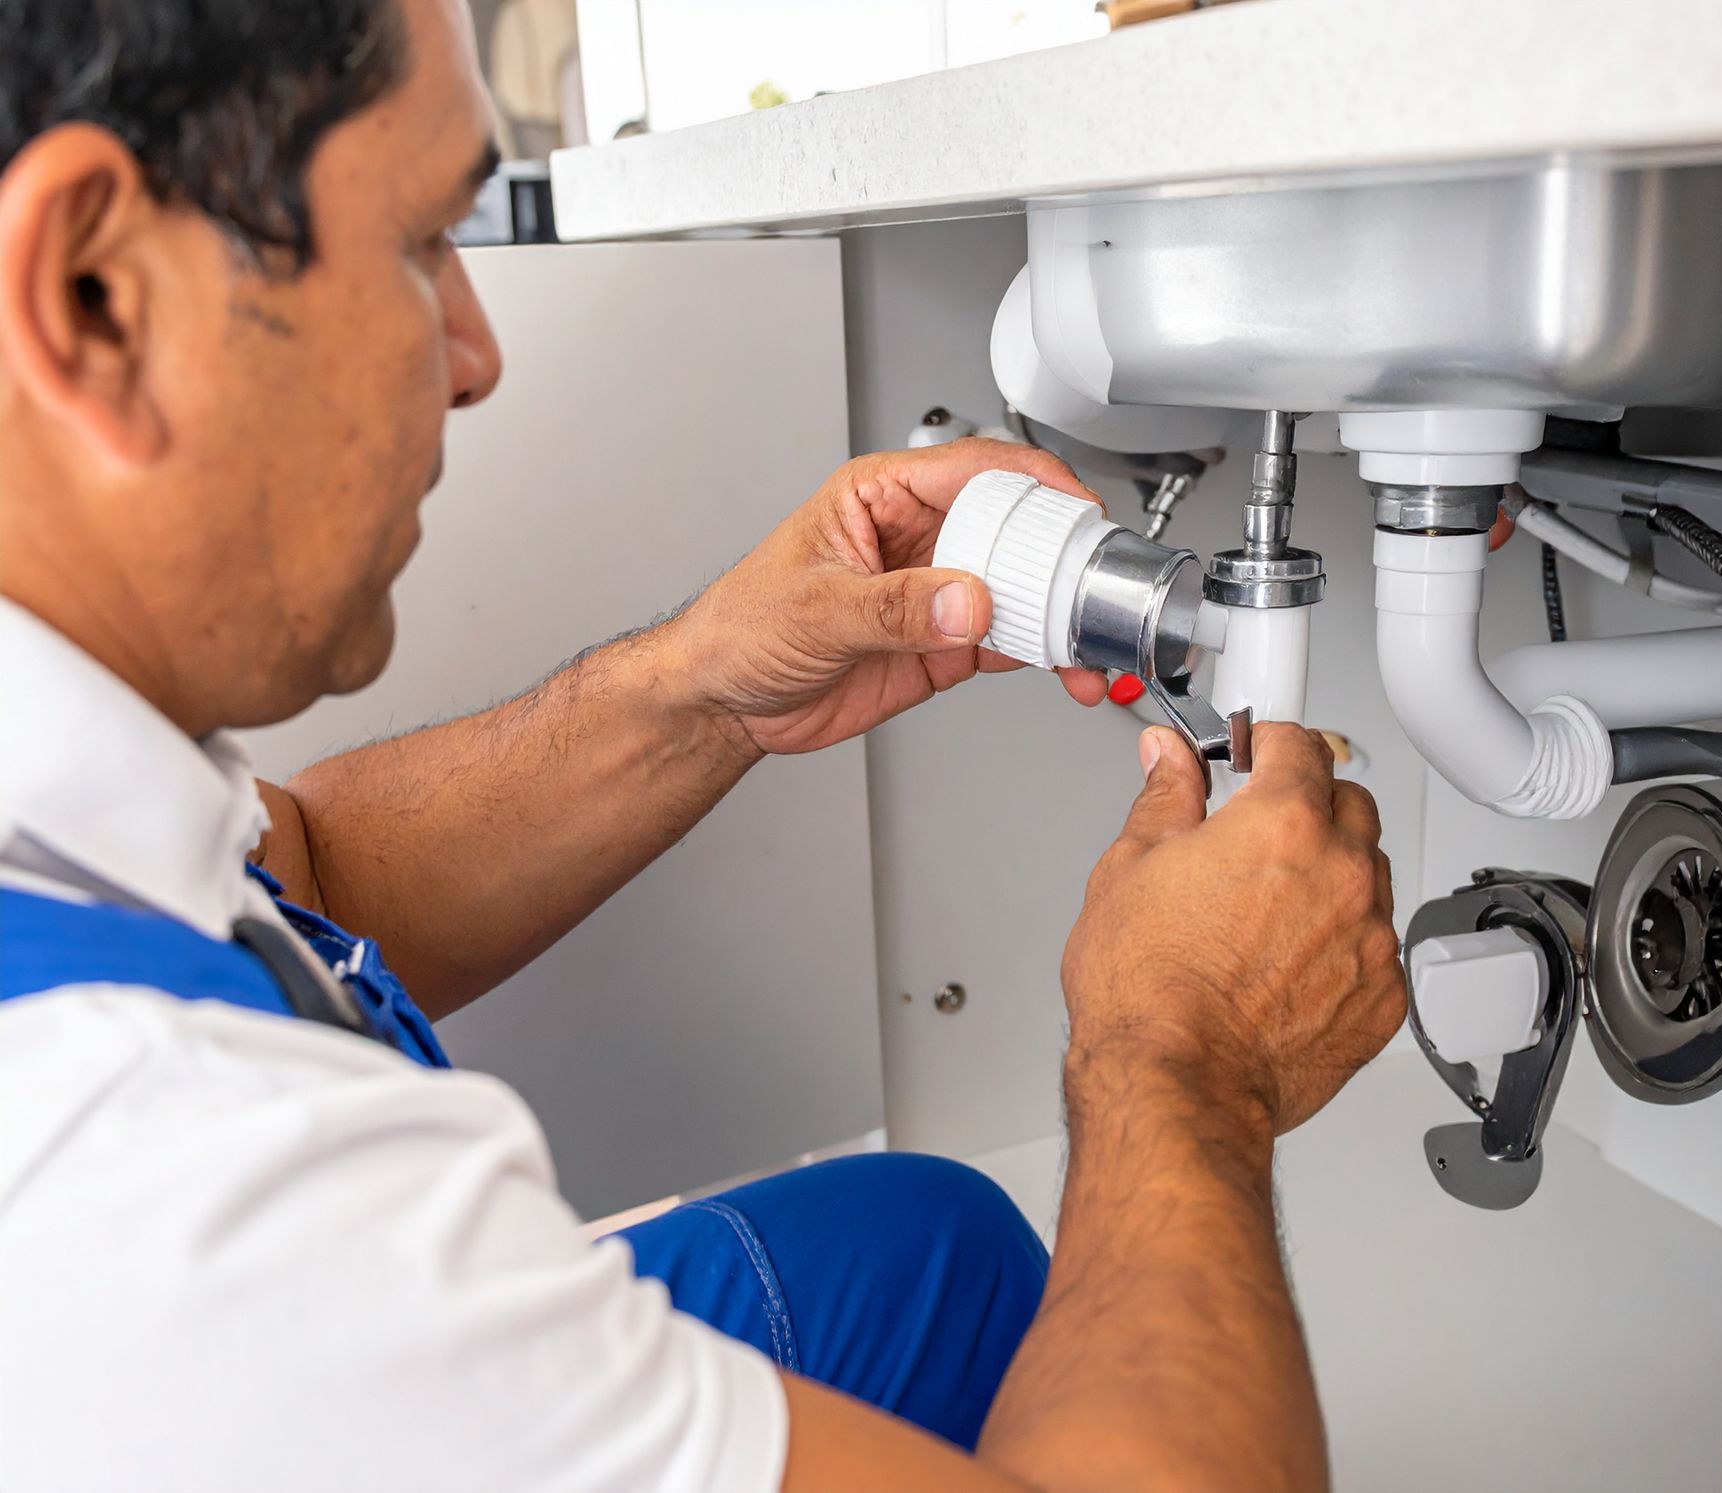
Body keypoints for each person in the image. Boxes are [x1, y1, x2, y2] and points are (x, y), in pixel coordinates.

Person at [0, 1, 1407, 1489]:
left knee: (930, 1254)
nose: (475, 353)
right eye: (420, 239)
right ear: (90, 289)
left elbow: (311, 871)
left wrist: (707, 685)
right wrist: (1181, 1055)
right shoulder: (183, 1197)